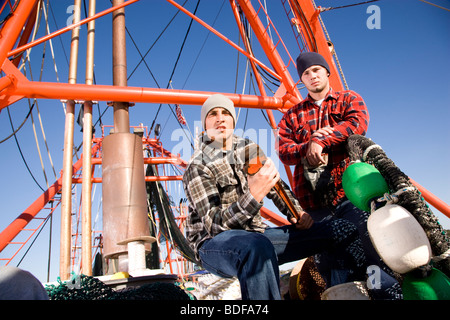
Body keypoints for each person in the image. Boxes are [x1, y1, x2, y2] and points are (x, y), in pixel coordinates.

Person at [183, 94, 369, 300]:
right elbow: (215, 227)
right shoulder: (198, 165)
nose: (220, 118)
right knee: (255, 248)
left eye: (226, 113)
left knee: (343, 230)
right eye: (213, 114)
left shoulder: (248, 149)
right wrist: (253, 195)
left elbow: (276, 186)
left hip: (256, 235)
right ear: (205, 123)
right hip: (214, 246)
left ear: (233, 121)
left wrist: (297, 212)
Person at [276, 51, 401, 299]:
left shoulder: (348, 99)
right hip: (314, 204)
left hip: (351, 195)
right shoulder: (292, 115)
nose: (312, 76)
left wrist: (323, 139)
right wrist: (308, 145)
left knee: (371, 251)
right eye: (306, 73)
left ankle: (388, 295)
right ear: (301, 80)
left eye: (316, 70)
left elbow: (357, 125)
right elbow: (284, 151)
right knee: (331, 262)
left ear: (326, 72)